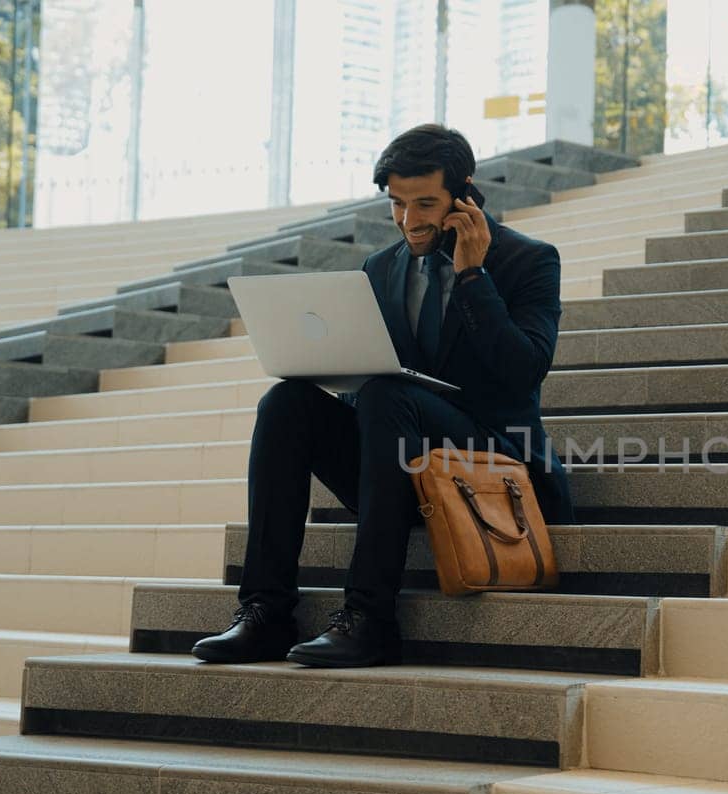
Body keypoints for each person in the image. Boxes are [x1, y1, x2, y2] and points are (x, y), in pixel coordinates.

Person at [193, 124, 575, 668]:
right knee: (286, 402)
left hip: (493, 462)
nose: (409, 221)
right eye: (397, 204)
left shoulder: (529, 261)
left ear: (464, 193)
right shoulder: (380, 267)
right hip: (400, 459)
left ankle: (371, 618)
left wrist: (473, 278)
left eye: (425, 203)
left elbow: (523, 373)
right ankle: (265, 611)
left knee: (385, 395)